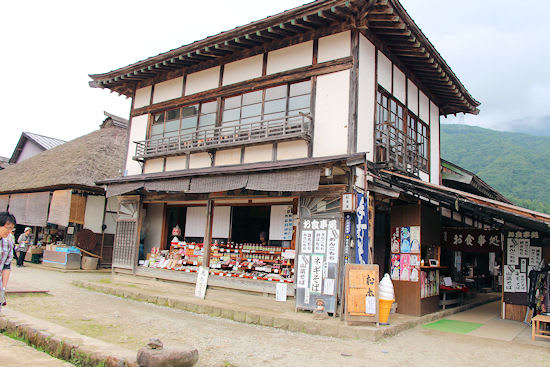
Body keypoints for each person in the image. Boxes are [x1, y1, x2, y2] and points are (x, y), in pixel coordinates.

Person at [0, 212, 17, 311]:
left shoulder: (8, 244)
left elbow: (6, 266)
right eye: (7, 228)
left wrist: (3, 288)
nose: (9, 231)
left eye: (12, 229)